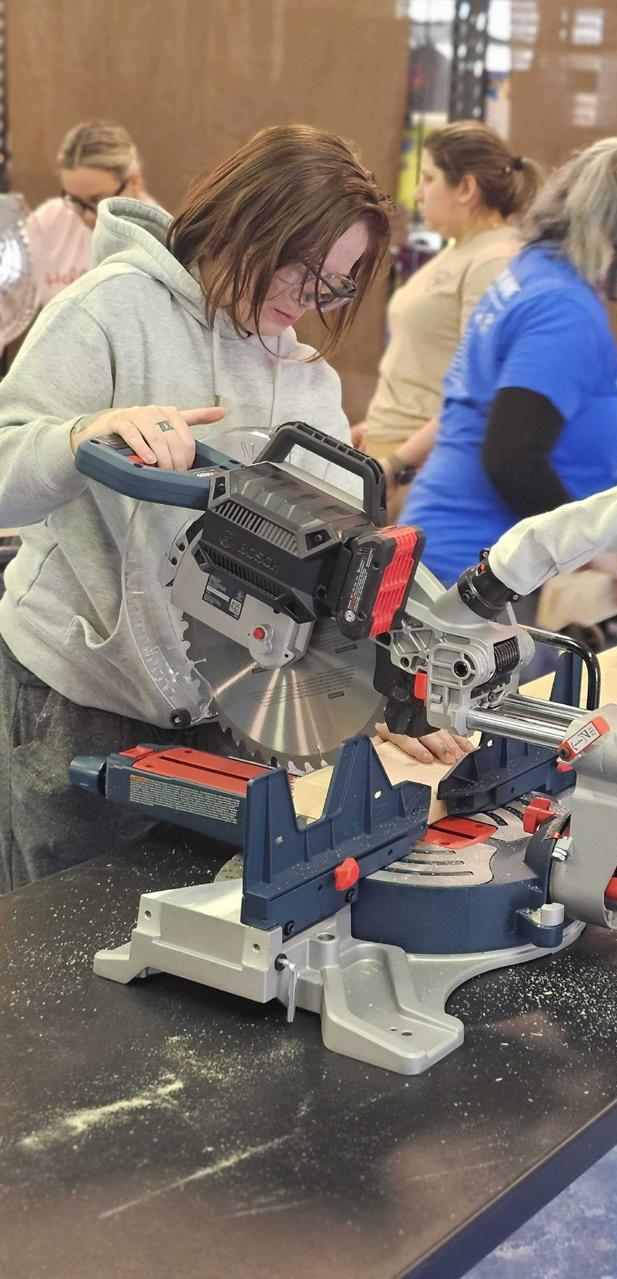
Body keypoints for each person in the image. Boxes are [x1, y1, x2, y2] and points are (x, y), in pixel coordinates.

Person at [0, 124, 468, 894]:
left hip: (230, 715)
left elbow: (334, 574)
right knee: (62, 936)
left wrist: (396, 690)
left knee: (200, 933)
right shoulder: (109, 310)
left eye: (333, 285)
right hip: (80, 702)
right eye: (300, 270)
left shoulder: (308, 383)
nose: (306, 301)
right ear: (245, 220)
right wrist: (82, 435)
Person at [395, 135, 617, 599]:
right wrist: (591, 549)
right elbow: (512, 458)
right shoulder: (563, 310)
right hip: (479, 573)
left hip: (463, 559)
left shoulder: (534, 270)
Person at [353, 121, 542, 510]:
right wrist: (378, 429)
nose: (418, 193)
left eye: (428, 178)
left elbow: (480, 389)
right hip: (395, 453)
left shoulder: (494, 260)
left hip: (419, 470)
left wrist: (398, 463)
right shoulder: (463, 251)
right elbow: (428, 364)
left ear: (466, 188)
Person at [26, 121, 156, 310]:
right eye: (75, 200)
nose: (86, 216)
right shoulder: (47, 222)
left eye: (98, 201)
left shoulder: (158, 240)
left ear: (134, 182)